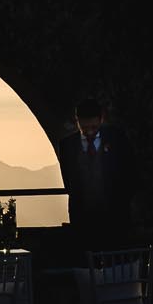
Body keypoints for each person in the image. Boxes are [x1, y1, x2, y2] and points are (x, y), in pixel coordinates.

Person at [55, 96, 136, 253]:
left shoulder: (118, 139)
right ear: (77, 121)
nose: (90, 132)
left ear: (101, 119)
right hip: (83, 217)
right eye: (85, 128)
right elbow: (69, 182)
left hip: (115, 217)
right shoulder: (67, 146)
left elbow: (129, 173)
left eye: (93, 127)